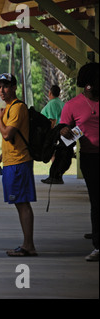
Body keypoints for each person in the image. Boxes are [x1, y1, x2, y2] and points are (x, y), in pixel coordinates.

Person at [0, 73, 38, 257]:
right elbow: (12, 140)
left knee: (22, 204)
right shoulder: (9, 107)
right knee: (19, 203)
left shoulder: (17, 108)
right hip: (11, 162)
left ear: (14, 87)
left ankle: (28, 246)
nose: (2, 90)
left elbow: (7, 135)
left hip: (19, 163)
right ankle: (27, 244)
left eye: (6, 86)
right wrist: (0, 160)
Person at [59, 62, 99, 262]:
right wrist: (63, 131)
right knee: (97, 202)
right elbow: (62, 132)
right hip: (91, 159)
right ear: (89, 85)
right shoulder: (72, 106)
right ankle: (98, 246)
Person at [41, 85, 68, 184]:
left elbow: (52, 121)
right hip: (61, 132)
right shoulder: (62, 103)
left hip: (55, 134)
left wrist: (49, 136)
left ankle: (55, 176)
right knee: (57, 155)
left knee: (52, 154)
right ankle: (56, 175)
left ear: (49, 93)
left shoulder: (52, 104)